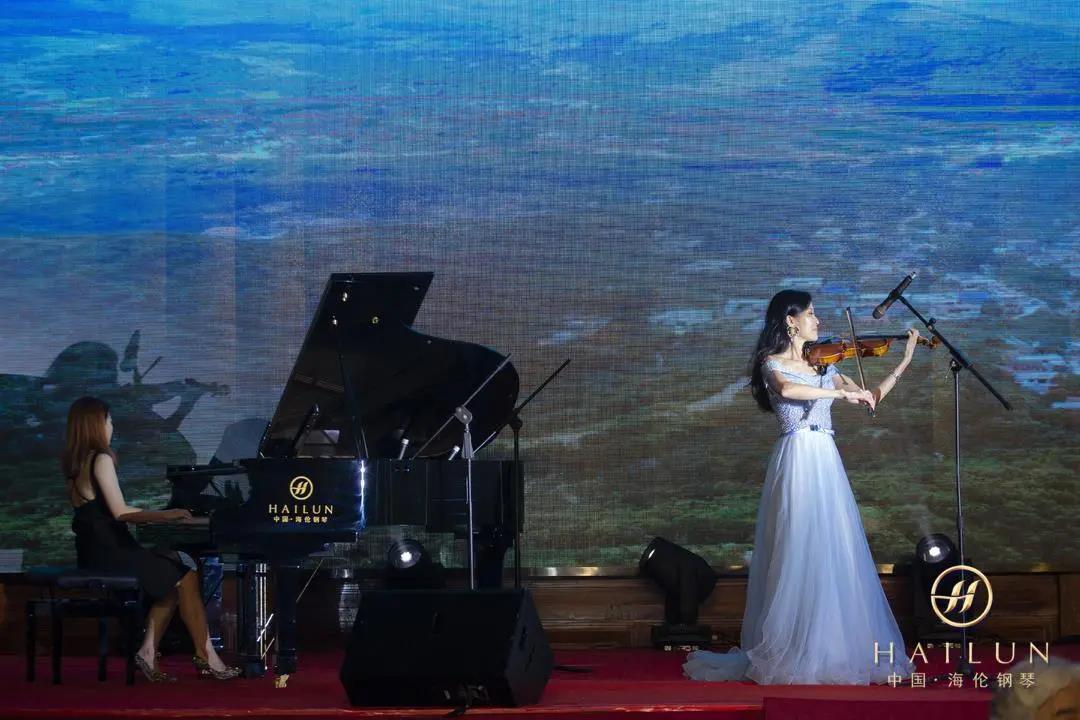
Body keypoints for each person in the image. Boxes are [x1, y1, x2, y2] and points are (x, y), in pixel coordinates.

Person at [684, 290, 917, 684]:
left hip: (826, 458)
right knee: (798, 547)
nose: (818, 320)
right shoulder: (771, 363)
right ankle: (795, 648)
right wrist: (838, 391)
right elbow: (789, 391)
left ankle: (831, 646)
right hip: (797, 457)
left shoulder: (826, 365)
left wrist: (904, 361)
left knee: (832, 547)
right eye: (810, 314)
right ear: (790, 321)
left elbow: (871, 397)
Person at [62, 396, 240, 682]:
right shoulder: (101, 458)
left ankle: (148, 652)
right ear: (96, 423)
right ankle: (207, 657)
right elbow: (120, 513)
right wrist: (166, 515)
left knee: (173, 577)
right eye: (109, 420)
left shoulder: (75, 463)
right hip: (111, 551)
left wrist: (162, 514)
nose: (112, 426)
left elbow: (105, 510)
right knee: (186, 574)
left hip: (93, 551)